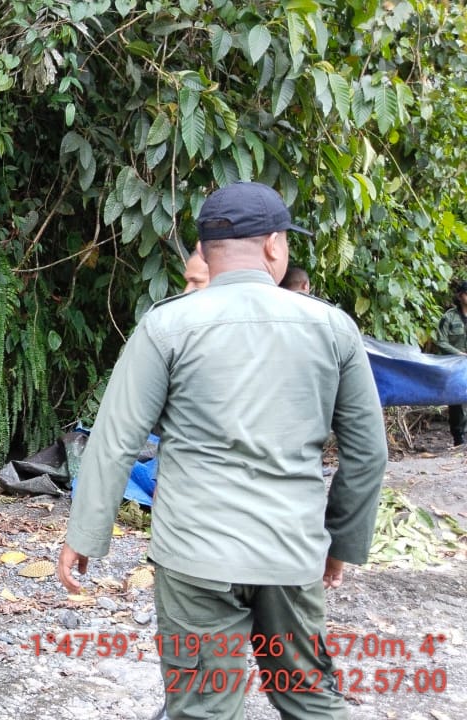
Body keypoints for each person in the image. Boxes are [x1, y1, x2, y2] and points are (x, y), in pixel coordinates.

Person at [58, 182, 387, 720]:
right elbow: (368, 453)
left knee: (203, 707)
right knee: (310, 698)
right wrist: (340, 542)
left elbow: (115, 441)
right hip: (291, 554)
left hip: (195, 559)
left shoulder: (165, 326)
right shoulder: (334, 329)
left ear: (206, 252)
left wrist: (86, 536)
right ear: (274, 246)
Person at [433, 280, 467, 445]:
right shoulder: (449, 317)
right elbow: (441, 341)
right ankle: (459, 436)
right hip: (455, 365)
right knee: (457, 401)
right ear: (460, 296)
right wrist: (459, 353)